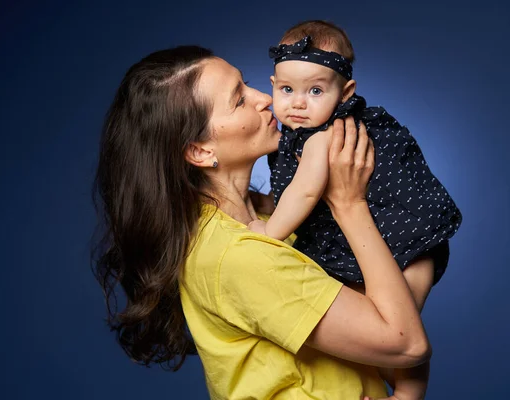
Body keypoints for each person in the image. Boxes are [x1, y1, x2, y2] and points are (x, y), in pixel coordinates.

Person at [92, 45, 431, 400]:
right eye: (238, 100)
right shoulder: (237, 255)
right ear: (201, 150)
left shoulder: (272, 217)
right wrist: (350, 204)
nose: (263, 99)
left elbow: (371, 323)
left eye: (248, 84)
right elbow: (406, 344)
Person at [248, 20, 463, 398]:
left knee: (399, 325)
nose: (298, 102)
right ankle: (393, 387)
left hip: (406, 240)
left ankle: (409, 393)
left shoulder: (325, 134)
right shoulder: (301, 133)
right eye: (286, 89)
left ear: (345, 92)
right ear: (273, 85)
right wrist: (266, 205)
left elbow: (304, 193)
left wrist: (270, 231)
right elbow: (290, 194)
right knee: (382, 325)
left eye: (315, 90)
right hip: (387, 238)